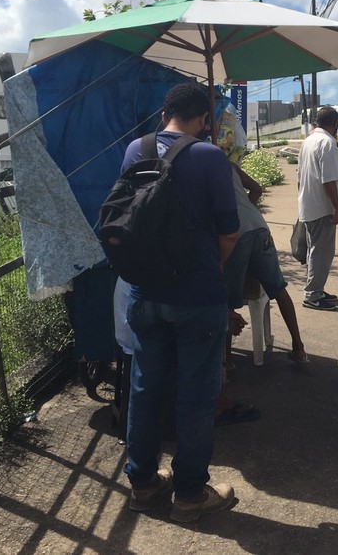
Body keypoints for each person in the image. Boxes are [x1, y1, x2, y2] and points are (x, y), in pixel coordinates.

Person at [121, 82, 239, 523]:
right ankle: (190, 492)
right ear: (203, 119)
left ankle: (144, 483)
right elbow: (229, 232)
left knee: (145, 388)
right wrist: (209, 268)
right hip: (196, 297)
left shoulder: (136, 149)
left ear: (165, 111)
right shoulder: (209, 156)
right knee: (195, 395)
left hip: (145, 293)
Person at [224, 163, 309, 363]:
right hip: (259, 227)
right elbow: (257, 189)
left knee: (226, 299)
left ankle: (227, 360)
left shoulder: (197, 168)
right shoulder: (229, 165)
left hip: (235, 233)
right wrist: (247, 209)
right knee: (278, 289)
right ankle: (299, 348)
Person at [297, 106, 338, 310]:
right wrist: (337, 208)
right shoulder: (327, 143)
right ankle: (313, 294)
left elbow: (299, 176)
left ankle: (316, 288)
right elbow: (329, 180)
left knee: (314, 251)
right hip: (322, 207)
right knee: (322, 252)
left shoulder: (308, 141)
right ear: (335, 123)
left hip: (309, 204)